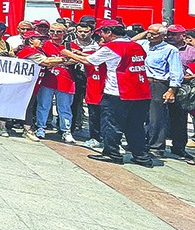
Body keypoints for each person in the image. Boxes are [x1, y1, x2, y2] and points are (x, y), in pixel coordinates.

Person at [61, 21, 152, 166]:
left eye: (102, 33)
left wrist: (68, 53)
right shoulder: (136, 46)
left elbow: (89, 61)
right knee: (135, 126)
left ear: (109, 32)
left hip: (118, 92)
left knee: (111, 124)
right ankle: (141, 156)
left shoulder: (113, 46)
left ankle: (112, 153)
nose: (100, 36)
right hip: (140, 92)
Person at [139, 23, 185, 156]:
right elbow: (130, 41)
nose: (150, 36)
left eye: (153, 34)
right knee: (141, 115)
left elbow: (176, 71)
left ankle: (156, 147)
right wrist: (145, 32)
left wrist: (172, 90)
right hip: (142, 82)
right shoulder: (143, 44)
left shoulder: (170, 50)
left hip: (158, 84)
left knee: (156, 117)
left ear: (163, 36)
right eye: (148, 33)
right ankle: (141, 142)